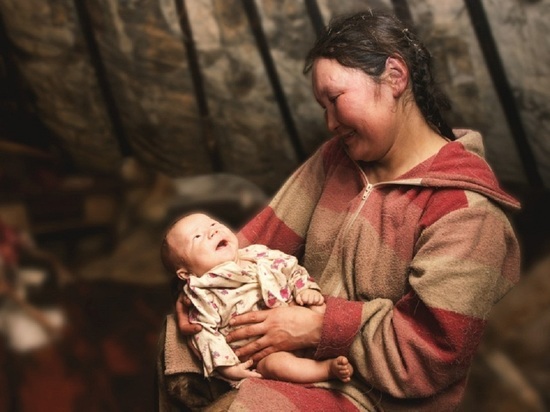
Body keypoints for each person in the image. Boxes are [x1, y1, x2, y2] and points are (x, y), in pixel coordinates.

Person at [157, 9, 521, 411]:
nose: (330, 122)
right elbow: (252, 243)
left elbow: (427, 355)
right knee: (178, 342)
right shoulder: (336, 159)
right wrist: (199, 288)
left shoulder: (467, 212)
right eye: (322, 107)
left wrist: (319, 326)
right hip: (285, 362)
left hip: (372, 396)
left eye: (335, 100)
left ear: (395, 76)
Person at [160, 212, 354, 385]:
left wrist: (305, 288)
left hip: (300, 318)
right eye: (197, 236)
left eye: (213, 224)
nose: (213, 231)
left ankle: (343, 347)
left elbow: (291, 268)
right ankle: (326, 369)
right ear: (185, 274)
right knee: (275, 366)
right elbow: (205, 335)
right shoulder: (203, 295)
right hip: (266, 353)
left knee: (319, 308)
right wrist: (228, 367)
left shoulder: (258, 254)